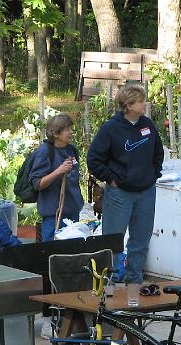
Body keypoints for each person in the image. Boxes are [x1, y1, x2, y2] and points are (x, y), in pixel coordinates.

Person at [87, 84, 163, 286]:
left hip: (146, 191)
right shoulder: (111, 128)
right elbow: (94, 159)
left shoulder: (147, 125)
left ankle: (134, 280)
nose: (145, 104)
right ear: (128, 105)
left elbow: (158, 152)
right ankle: (108, 283)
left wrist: (153, 175)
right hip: (120, 192)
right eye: (141, 101)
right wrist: (111, 179)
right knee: (113, 240)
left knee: (141, 240)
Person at [29, 114, 85, 242]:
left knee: (72, 251)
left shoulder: (72, 150)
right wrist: (58, 171)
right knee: (52, 251)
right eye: (67, 129)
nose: (71, 132)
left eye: (71, 128)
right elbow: (37, 184)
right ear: (55, 133)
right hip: (53, 216)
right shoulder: (45, 152)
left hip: (73, 212)